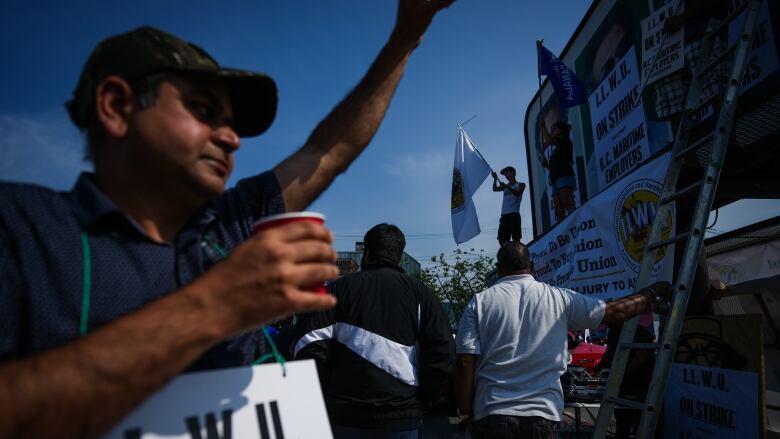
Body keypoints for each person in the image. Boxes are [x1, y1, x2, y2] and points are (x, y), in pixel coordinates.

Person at [0, 2, 455, 437]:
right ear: (117, 106)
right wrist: (212, 309)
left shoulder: (232, 224)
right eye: (202, 110)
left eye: (232, 122)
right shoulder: (24, 230)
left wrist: (408, 33)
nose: (231, 138)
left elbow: (329, 151)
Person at [452, 242, 671, 439]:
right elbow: (614, 313)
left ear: (499, 270)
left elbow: (464, 362)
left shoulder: (479, 303)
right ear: (532, 266)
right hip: (543, 416)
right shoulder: (560, 298)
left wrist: (465, 411)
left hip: (492, 413)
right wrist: (650, 292)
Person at [293, 223, 454, 439]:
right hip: (401, 417)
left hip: (343, 416)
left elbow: (308, 343)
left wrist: (325, 393)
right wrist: (423, 399)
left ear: (366, 253)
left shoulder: (336, 290)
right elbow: (443, 351)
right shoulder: (421, 294)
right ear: (398, 255)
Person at [539, 119, 576, 222]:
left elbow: (550, 140)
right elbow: (552, 167)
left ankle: (576, 225)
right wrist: (545, 163)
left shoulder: (565, 140)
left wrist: (543, 127)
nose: (551, 131)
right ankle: (563, 232)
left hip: (564, 175)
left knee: (568, 203)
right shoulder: (556, 149)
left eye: (554, 129)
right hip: (555, 179)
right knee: (558, 209)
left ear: (561, 130)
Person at [492, 166, 526, 245]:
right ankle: (507, 255)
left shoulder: (521, 184)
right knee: (502, 239)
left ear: (513, 172)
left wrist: (507, 186)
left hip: (514, 215)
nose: (506, 175)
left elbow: (518, 194)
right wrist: (495, 179)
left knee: (516, 239)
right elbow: (494, 189)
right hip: (504, 216)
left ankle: (518, 256)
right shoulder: (505, 186)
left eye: (507, 172)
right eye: (504, 174)